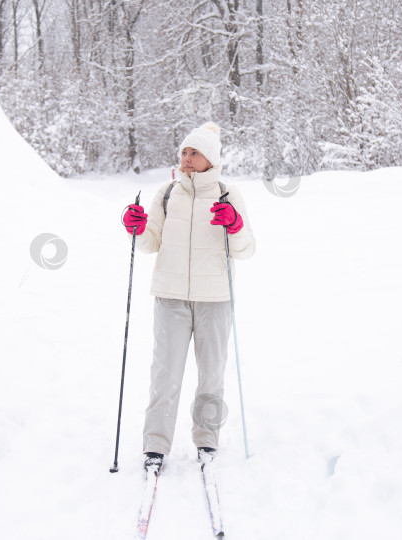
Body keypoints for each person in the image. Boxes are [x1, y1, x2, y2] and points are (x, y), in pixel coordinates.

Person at [121, 122, 256, 472]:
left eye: (194, 152)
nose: (187, 158)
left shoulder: (228, 195)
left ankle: (206, 439)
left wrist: (235, 225)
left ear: (210, 158)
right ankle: (155, 444)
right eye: (184, 151)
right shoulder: (167, 193)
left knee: (211, 373)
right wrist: (135, 227)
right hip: (170, 297)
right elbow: (150, 242)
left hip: (216, 298)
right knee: (164, 374)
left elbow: (245, 249)